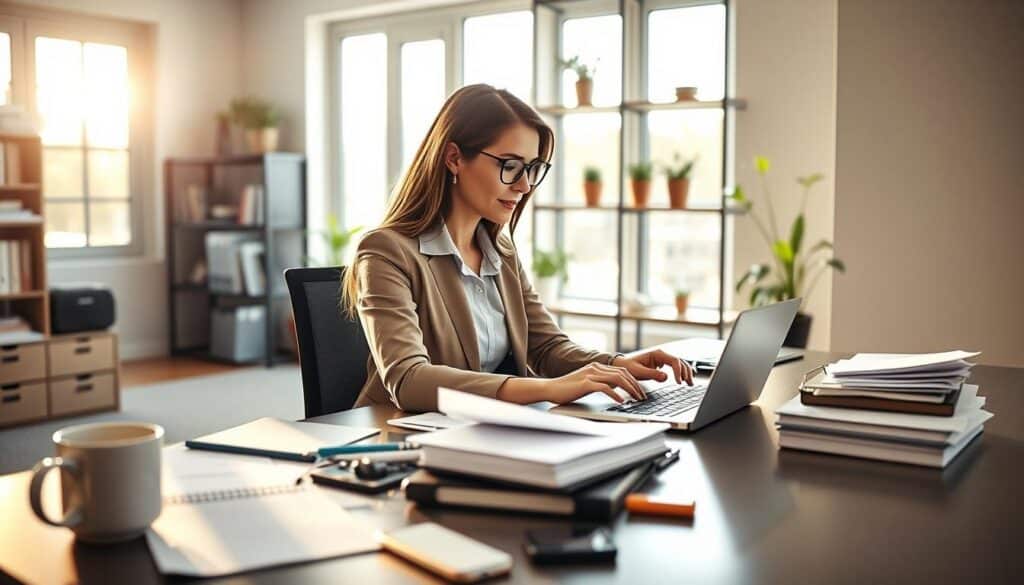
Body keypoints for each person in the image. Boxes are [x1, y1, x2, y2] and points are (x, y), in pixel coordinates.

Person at [341, 84, 692, 412]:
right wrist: (548, 389)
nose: (524, 186)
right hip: (397, 439)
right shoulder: (386, 251)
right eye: (510, 166)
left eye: (532, 169)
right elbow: (408, 380)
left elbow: (547, 347)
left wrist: (616, 364)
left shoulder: (500, 252)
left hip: (481, 432)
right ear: (453, 158)